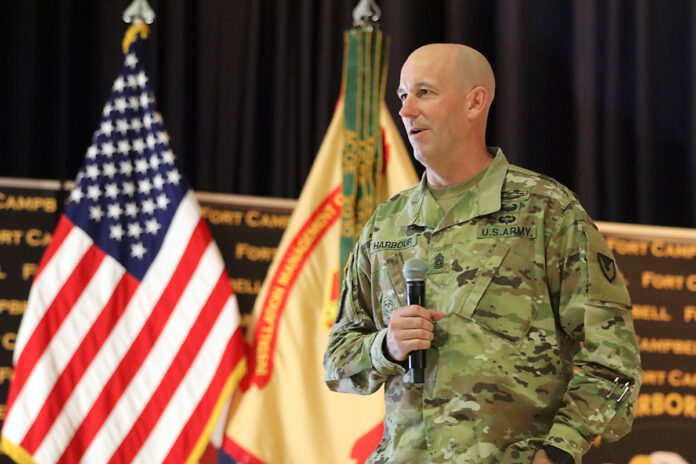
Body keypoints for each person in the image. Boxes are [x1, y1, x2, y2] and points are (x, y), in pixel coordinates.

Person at [324, 43, 641, 464]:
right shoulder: (386, 223)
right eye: (402, 96)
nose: (406, 110)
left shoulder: (547, 211)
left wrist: (559, 451)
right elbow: (337, 362)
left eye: (425, 92)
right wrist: (387, 346)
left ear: (475, 102)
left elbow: (614, 358)